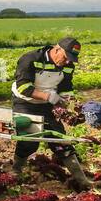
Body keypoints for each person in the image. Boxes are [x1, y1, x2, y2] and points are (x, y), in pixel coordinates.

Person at [11, 36, 91, 187]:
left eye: (72, 59)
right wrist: (49, 96)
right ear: (57, 49)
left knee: (60, 140)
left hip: (48, 104)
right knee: (29, 139)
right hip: (25, 102)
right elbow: (23, 87)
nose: (68, 62)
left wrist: (68, 103)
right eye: (66, 57)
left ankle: (82, 179)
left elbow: (66, 88)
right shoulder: (30, 59)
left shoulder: (68, 66)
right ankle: (16, 169)